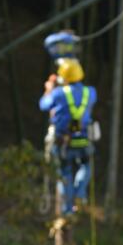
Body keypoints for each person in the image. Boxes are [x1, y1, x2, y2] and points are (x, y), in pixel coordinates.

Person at [39, 57, 97, 216]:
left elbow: (43, 105)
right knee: (86, 165)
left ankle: (67, 209)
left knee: (64, 174)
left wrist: (49, 89)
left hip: (63, 140)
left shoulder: (58, 94)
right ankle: (80, 194)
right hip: (84, 139)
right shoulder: (90, 92)